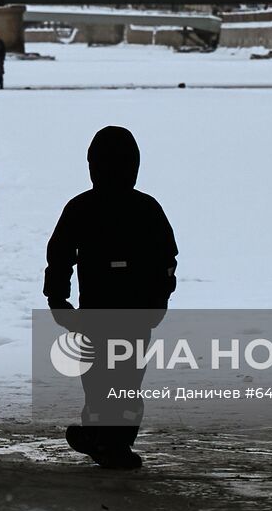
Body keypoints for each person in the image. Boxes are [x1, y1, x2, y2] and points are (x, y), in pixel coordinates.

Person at [43, 126, 178, 470]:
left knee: (105, 381)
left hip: (106, 315)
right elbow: (166, 261)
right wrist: (158, 301)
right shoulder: (146, 209)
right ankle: (110, 440)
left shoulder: (83, 207)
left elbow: (59, 256)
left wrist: (58, 299)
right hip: (128, 316)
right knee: (121, 381)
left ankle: (108, 440)